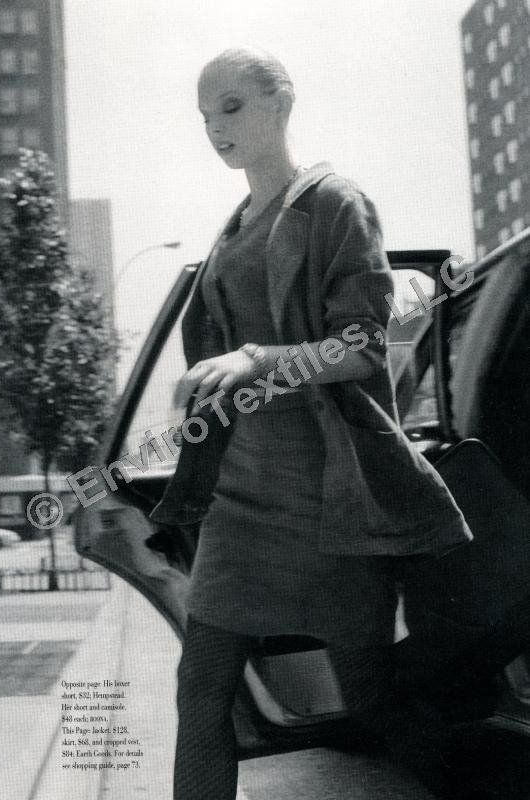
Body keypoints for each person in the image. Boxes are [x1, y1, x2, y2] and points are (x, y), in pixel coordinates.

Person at [153, 47, 494, 800]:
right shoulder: (234, 226)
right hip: (240, 499)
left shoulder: (335, 203)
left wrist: (253, 360)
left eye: (232, 106)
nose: (215, 127)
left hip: (331, 495)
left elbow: (362, 346)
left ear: (280, 104)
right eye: (206, 115)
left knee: (368, 695)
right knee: (201, 682)